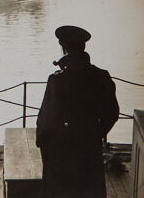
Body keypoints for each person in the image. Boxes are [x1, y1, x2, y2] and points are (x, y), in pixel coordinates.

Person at [36, 25, 119, 198]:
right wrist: (95, 132)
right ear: (83, 47)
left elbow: (46, 121)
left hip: (62, 152)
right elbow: (112, 113)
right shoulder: (102, 76)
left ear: (63, 48)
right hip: (90, 148)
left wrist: (44, 143)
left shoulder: (57, 80)